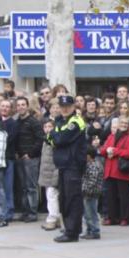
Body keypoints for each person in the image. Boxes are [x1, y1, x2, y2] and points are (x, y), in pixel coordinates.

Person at [48, 95, 88, 243]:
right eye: (62, 106)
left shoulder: (76, 121)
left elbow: (60, 139)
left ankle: (72, 232)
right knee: (64, 198)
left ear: (73, 107)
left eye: (67, 106)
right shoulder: (60, 120)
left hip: (73, 165)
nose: (65, 109)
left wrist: (54, 135)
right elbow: (49, 140)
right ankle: (69, 228)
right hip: (63, 165)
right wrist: (54, 136)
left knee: (73, 199)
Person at [12, 96, 45, 222]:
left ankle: (32, 212)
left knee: (31, 186)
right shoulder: (17, 122)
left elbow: (40, 139)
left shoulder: (34, 122)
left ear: (27, 106)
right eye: (18, 105)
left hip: (31, 159)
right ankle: (25, 211)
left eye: (23, 105)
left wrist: (30, 154)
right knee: (23, 186)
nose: (20, 107)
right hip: (20, 158)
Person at [102, 116, 129, 226]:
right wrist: (106, 150)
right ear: (117, 124)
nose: (124, 124)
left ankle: (125, 218)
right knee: (110, 196)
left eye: (126, 123)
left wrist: (115, 151)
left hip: (121, 171)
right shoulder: (111, 136)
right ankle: (111, 217)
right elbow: (103, 150)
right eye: (122, 122)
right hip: (109, 170)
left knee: (124, 197)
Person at [81, 148, 104, 240]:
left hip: (91, 193)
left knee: (91, 213)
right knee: (87, 214)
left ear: (89, 156)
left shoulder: (94, 166)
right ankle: (89, 230)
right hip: (88, 193)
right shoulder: (89, 164)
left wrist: (84, 189)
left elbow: (92, 181)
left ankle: (95, 231)